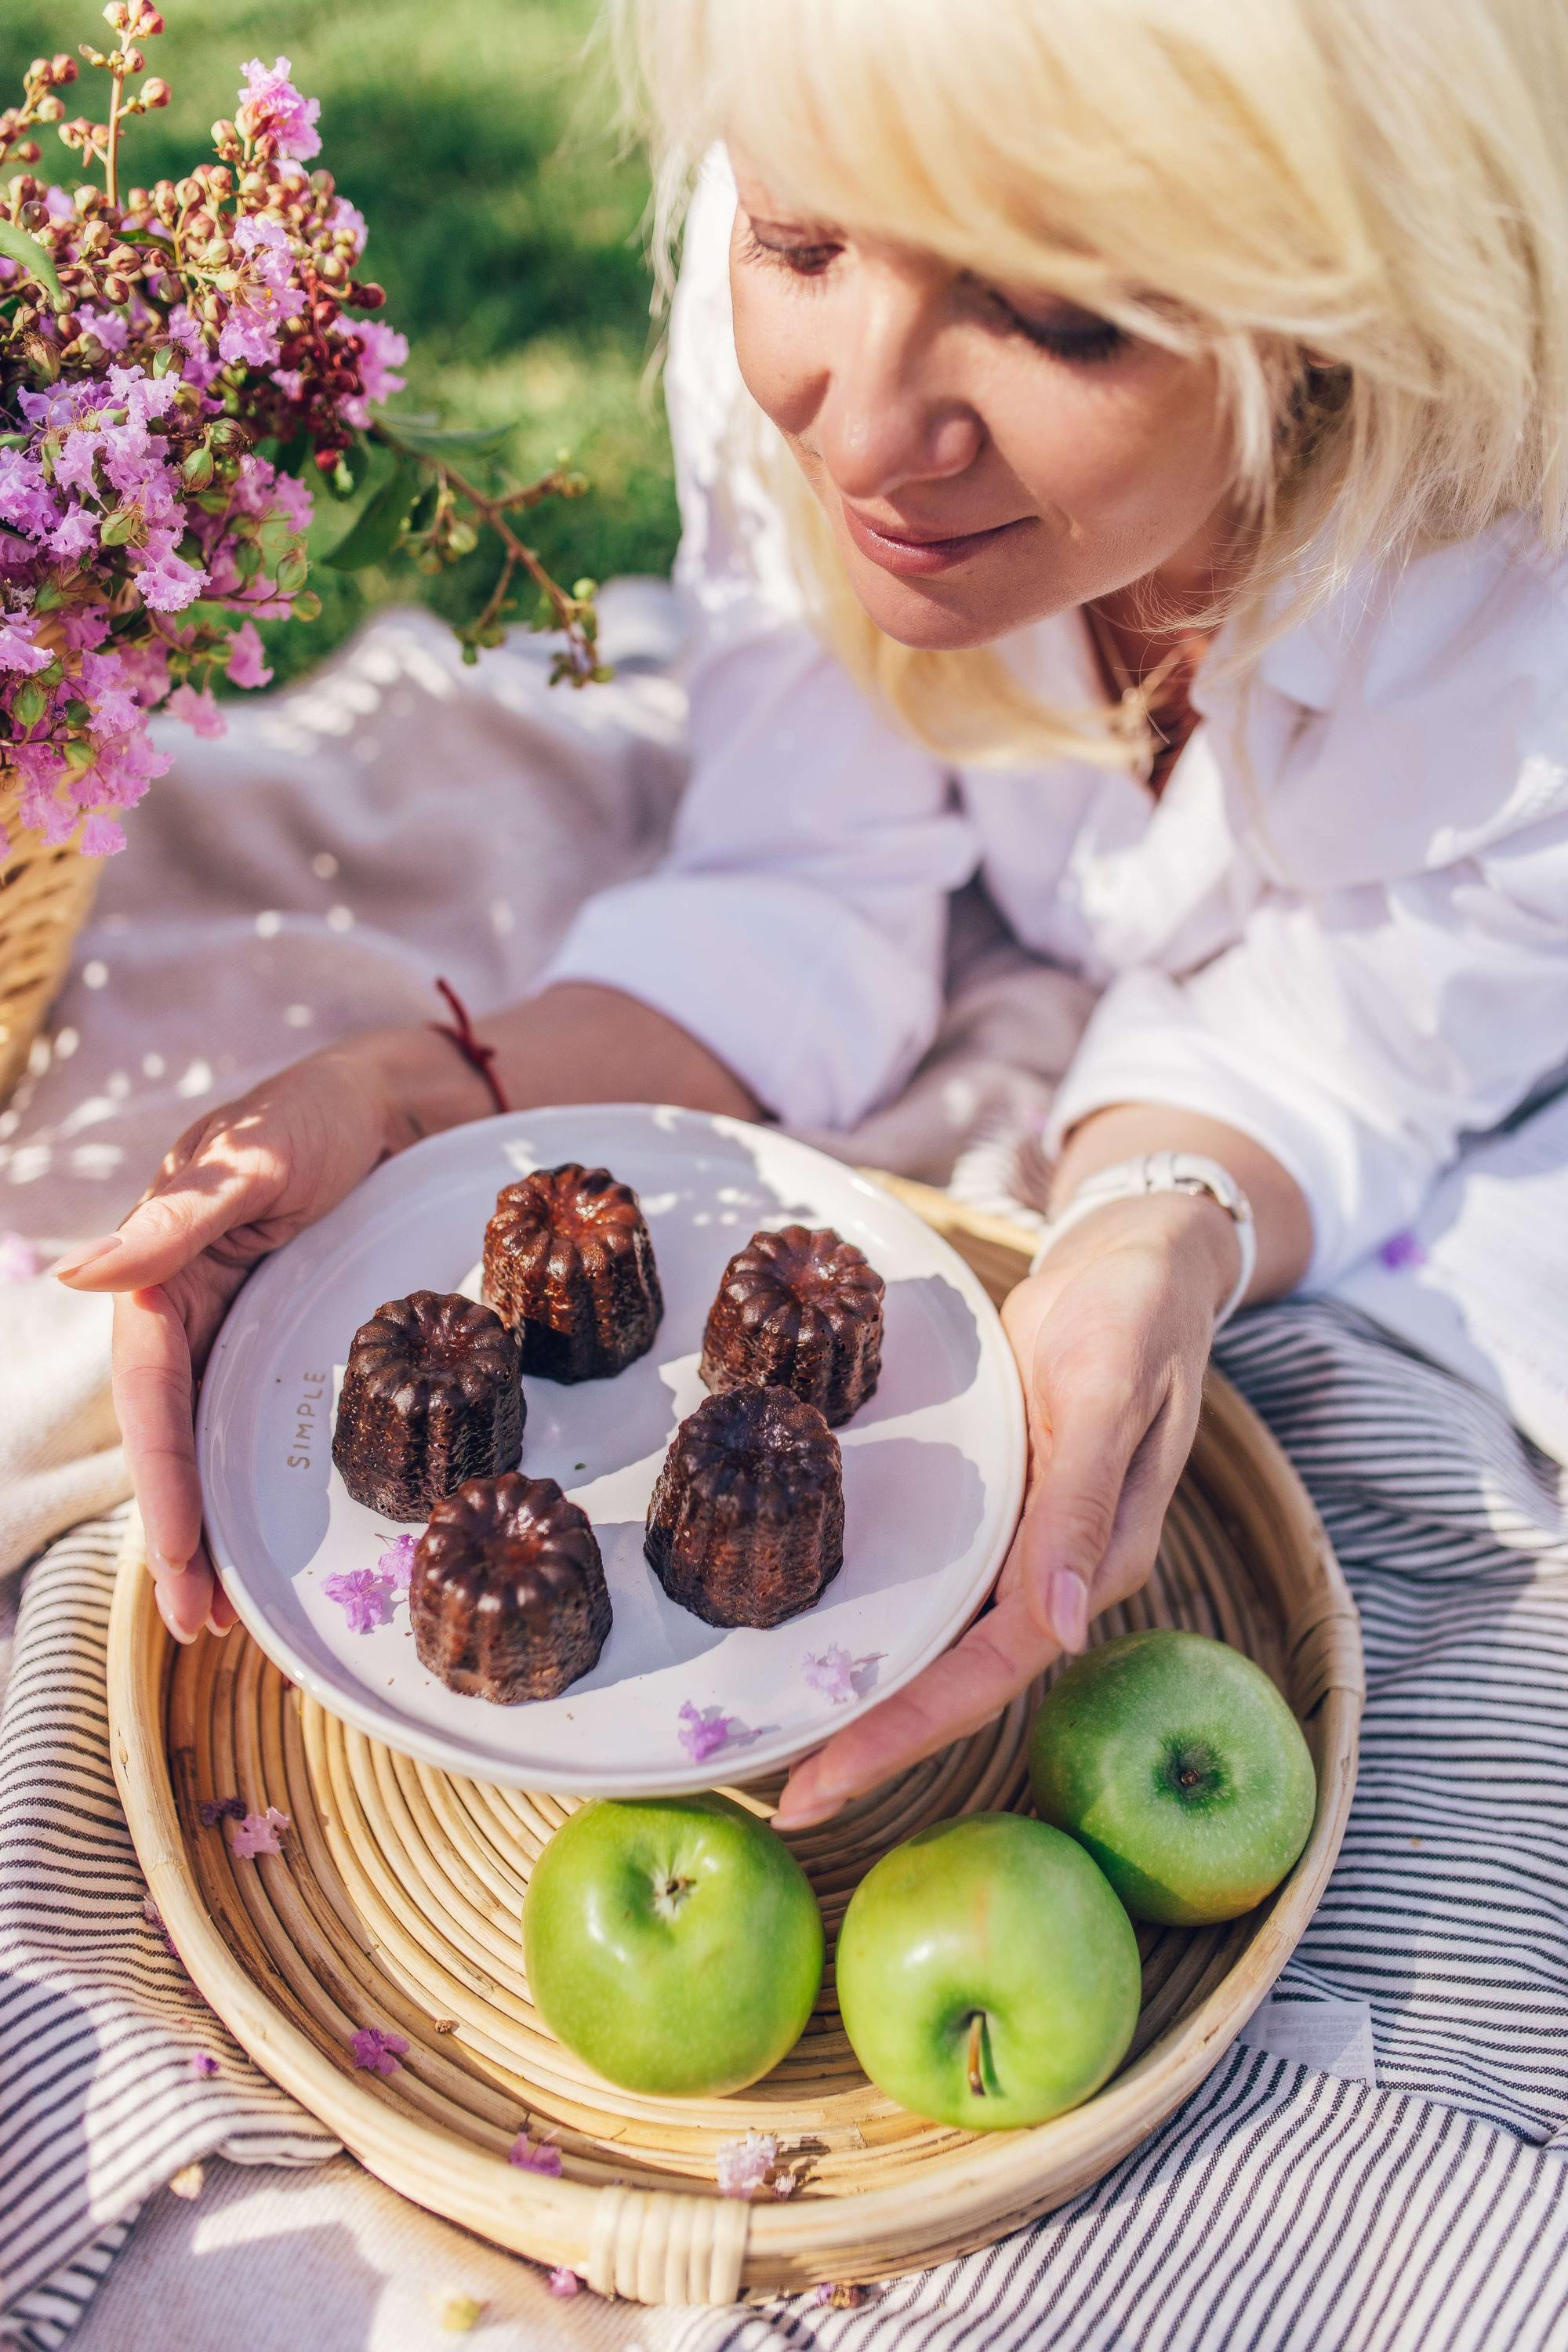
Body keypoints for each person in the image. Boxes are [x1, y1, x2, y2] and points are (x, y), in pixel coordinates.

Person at [56, 0, 1568, 1831]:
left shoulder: (1523, 636)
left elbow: (1347, 1046)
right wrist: (418, 1089)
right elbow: (811, 883)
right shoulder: (833, 234)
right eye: (794, 243)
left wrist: (1147, 1239)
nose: (858, 430)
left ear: (1351, 311)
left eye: (1059, 313)